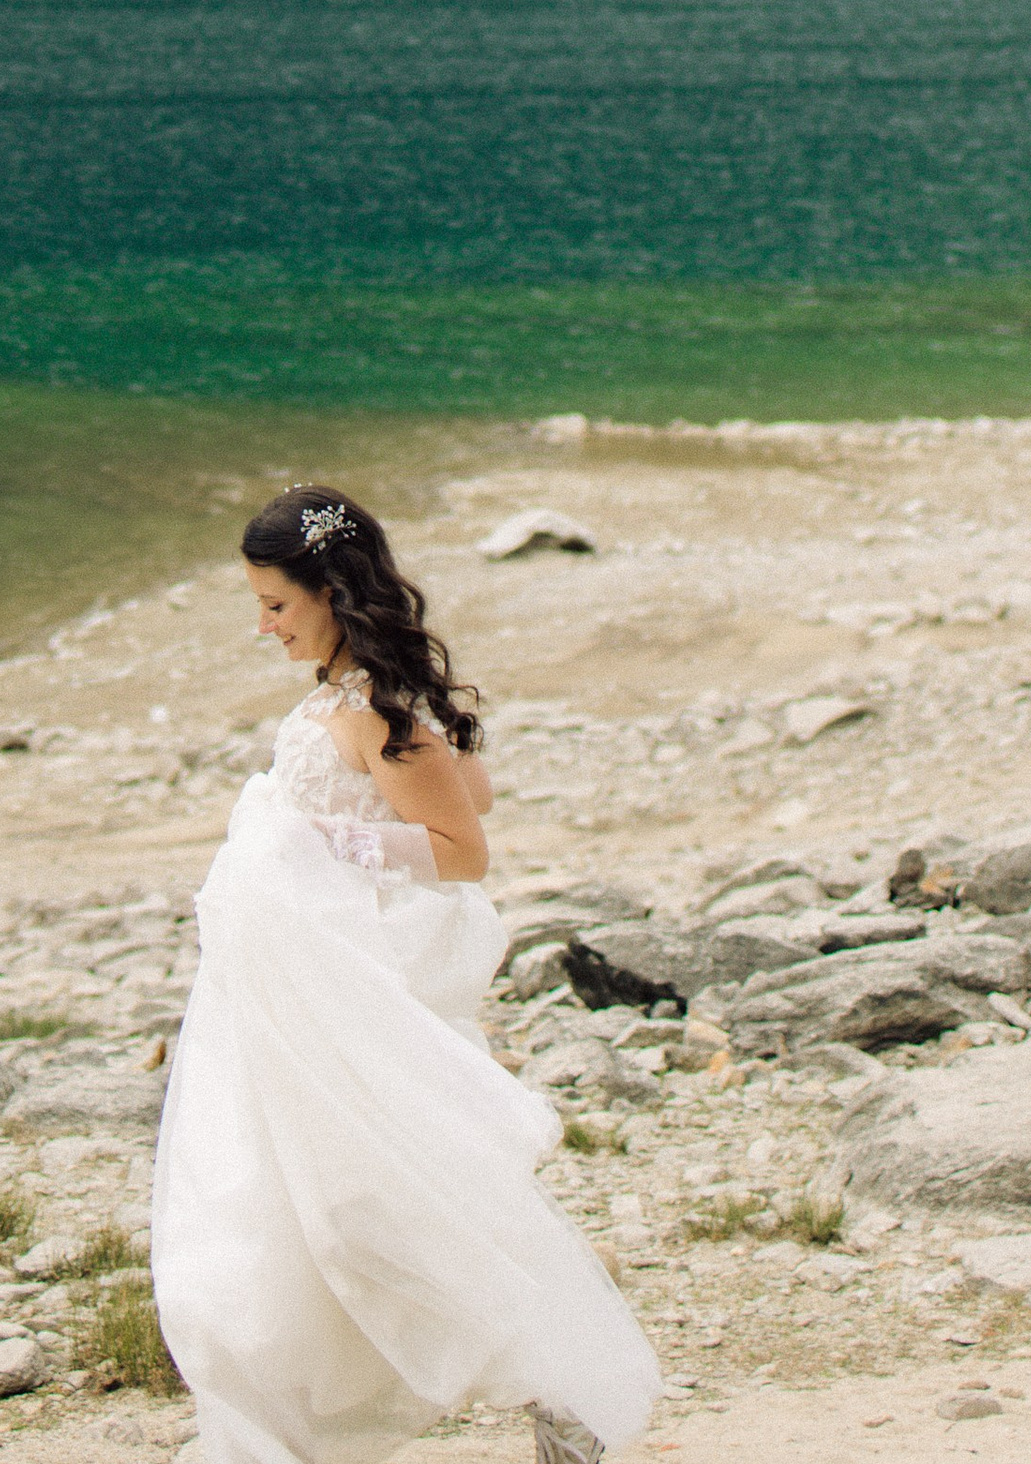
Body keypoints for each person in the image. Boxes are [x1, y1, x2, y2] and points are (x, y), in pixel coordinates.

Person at [151, 487, 659, 1464]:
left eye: (275, 605)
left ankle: (552, 1384)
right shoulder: (362, 697)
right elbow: (474, 789)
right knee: (292, 1208)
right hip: (306, 984)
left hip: (342, 996)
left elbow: (464, 847)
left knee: (366, 1206)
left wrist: (326, 846)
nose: (262, 625)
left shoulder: (378, 708)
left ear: (331, 592)